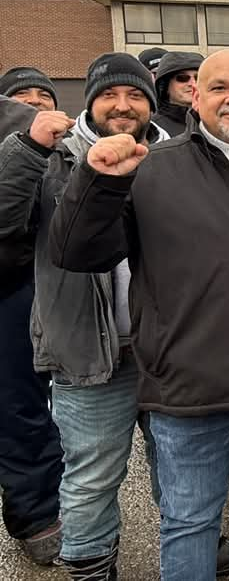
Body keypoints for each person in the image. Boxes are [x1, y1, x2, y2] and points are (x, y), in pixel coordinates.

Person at [50, 50, 229, 581]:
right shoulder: (149, 168)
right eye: (218, 87)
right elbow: (76, 253)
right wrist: (96, 183)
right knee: (190, 521)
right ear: (195, 98)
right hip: (187, 389)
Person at [0, 53, 167, 580]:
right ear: (88, 103)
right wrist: (26, 149)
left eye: (136, 95)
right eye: (109, 95)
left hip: (163, 349)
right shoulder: (52, 157)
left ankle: (194, 541)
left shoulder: (172, 157)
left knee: (179, 465)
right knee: (92, 476)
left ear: (151, 104)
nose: (122, 106)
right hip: (86, 349)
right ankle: (93, 567)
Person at [0, 88, 64, 567]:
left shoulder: (24, 124)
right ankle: (36, 512)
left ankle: (39, 512)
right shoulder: (20, 129)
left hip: (19, 284)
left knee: (25, 408)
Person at [151, 51, 204, 136]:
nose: (193, 84)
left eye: (198, 78)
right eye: (182, 78)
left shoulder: (217, 122)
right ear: (165, 86)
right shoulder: (152, 128)